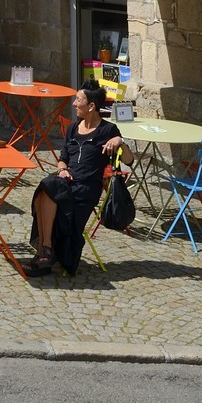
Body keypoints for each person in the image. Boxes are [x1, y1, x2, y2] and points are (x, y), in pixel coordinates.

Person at [27, 82, 133, 276]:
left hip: (86, 188)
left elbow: (129, 160)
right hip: (66, 181)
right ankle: (45, 250)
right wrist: (62, 170)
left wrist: (121, 141)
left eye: (78, 100)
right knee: (44, 189)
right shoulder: (73, 129)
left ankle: (45, 253)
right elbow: (62, 159)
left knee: (49, 190)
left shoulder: (108, 130)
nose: (74, 103)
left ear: (91, 106)